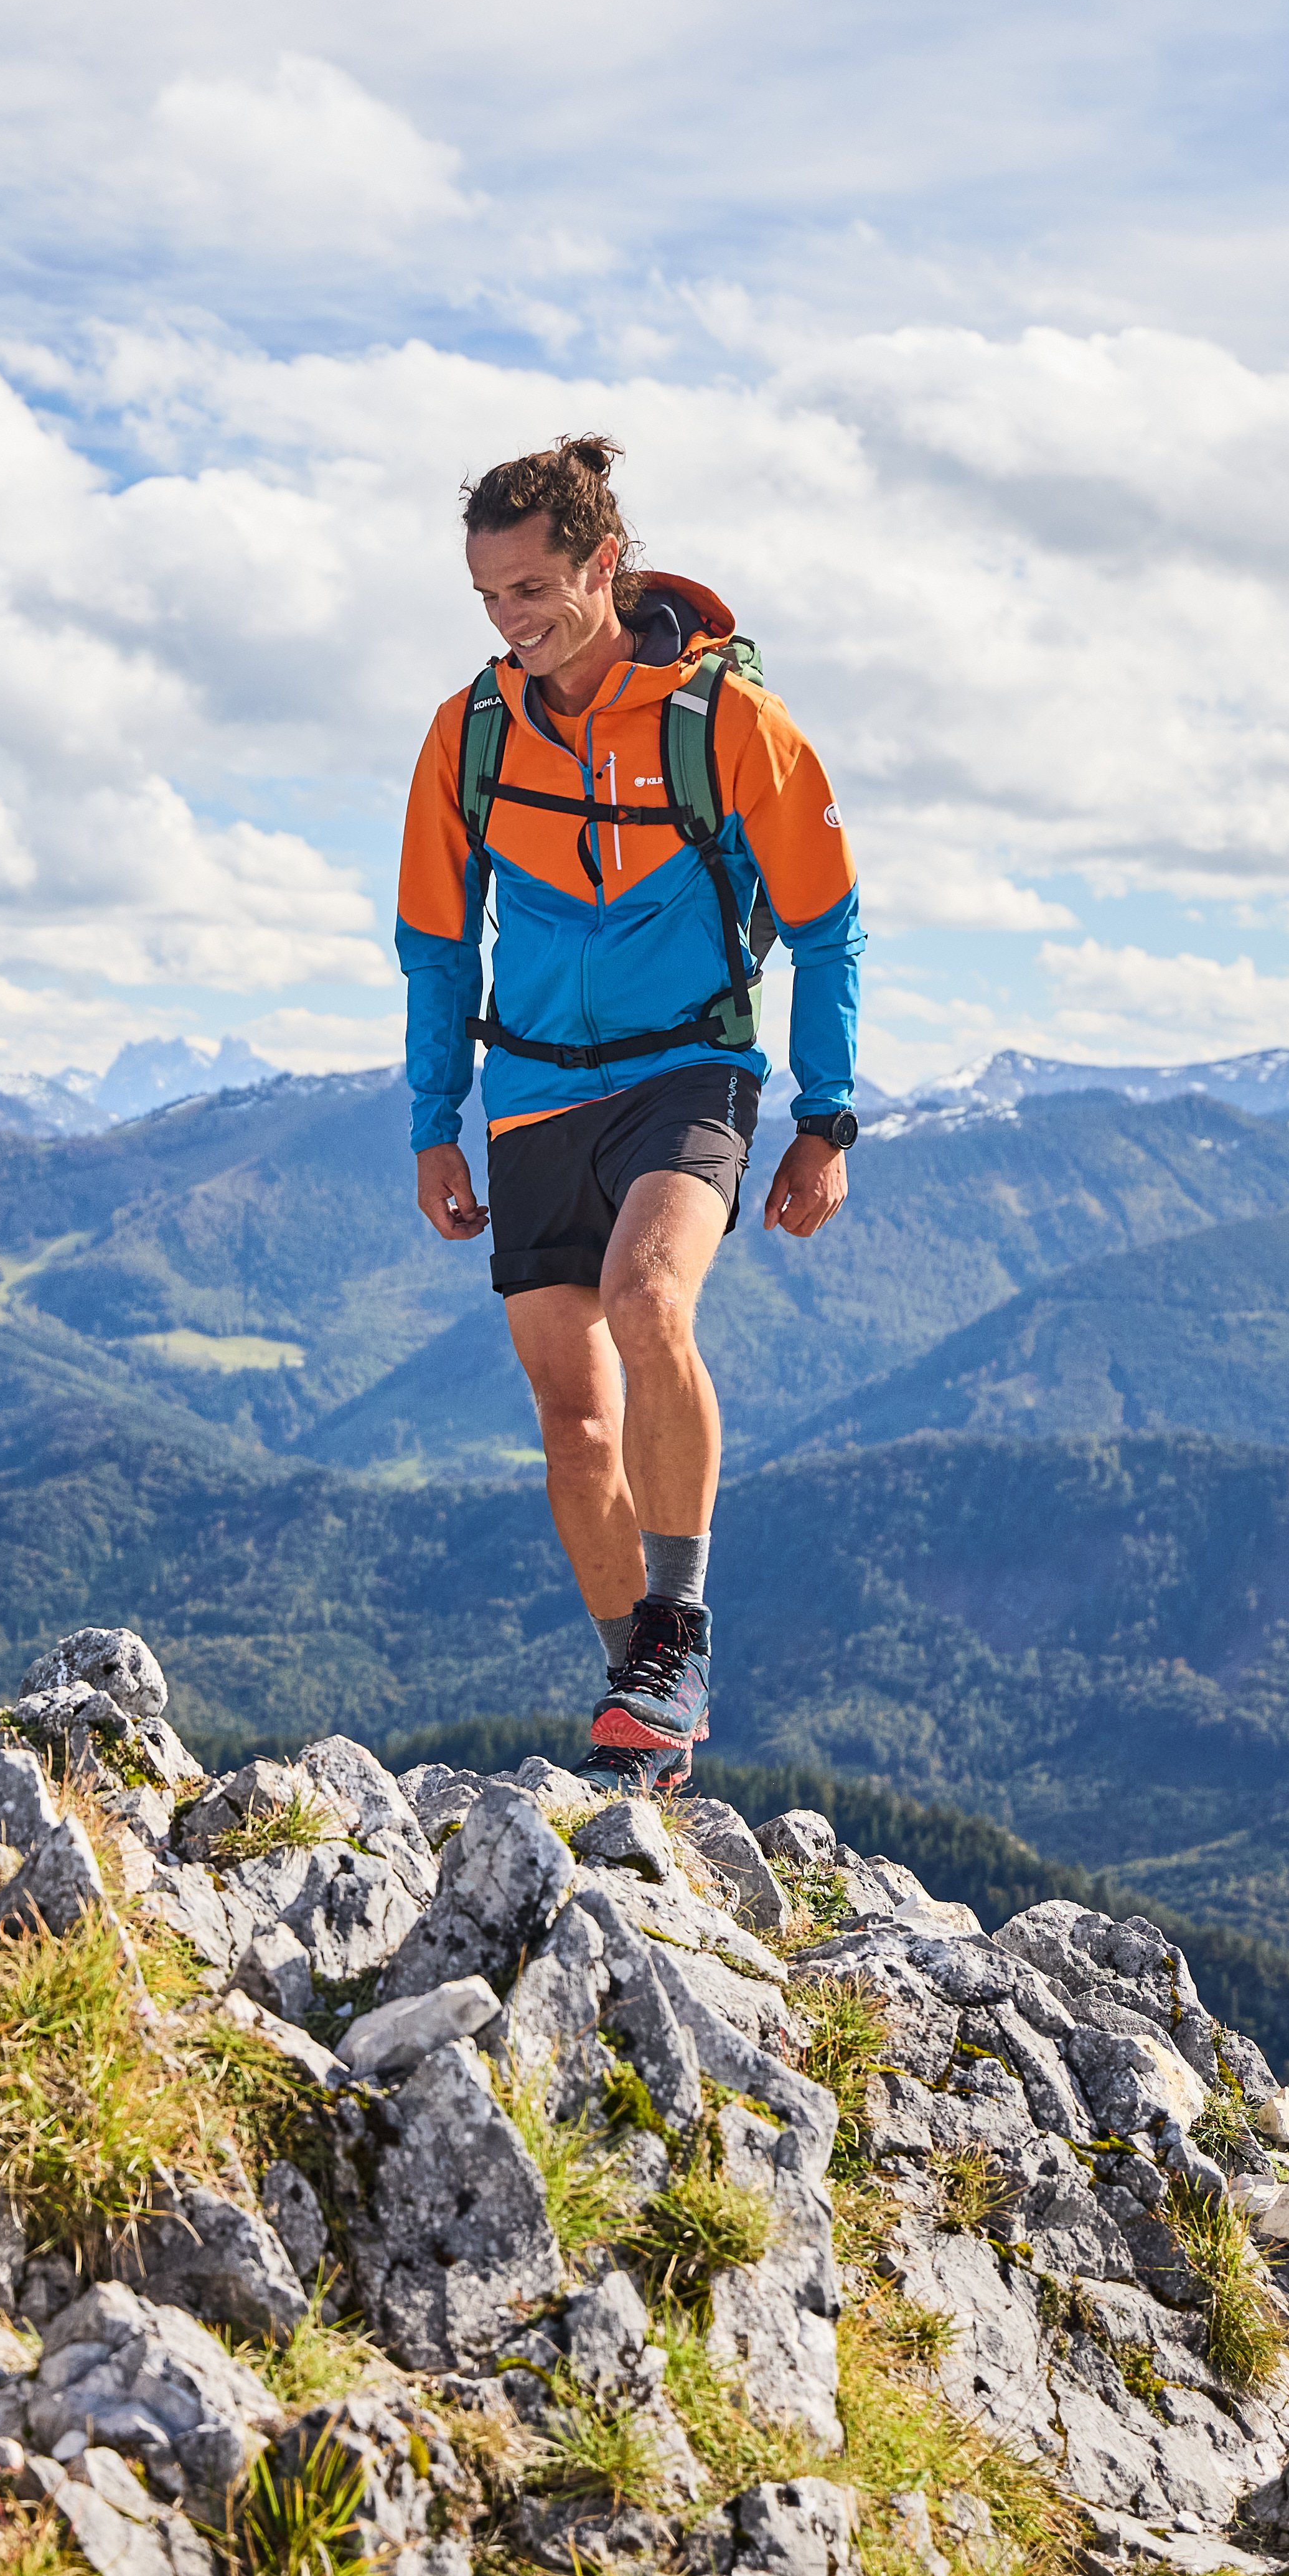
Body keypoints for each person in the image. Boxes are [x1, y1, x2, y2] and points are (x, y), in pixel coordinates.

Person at [395, 435, 865, 1789]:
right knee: (569, 1415)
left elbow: (829, 932)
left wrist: (825, 1119)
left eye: (533, 585)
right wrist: (436, 1117)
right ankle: (639, 1709)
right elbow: (436, 943)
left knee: (650, 1300)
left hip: (687, 1065)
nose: (510, 618)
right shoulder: (468, 731)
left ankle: (676, 1636)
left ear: (605, 563)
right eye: (487, 595)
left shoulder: (725, 724)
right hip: (531, 1086)